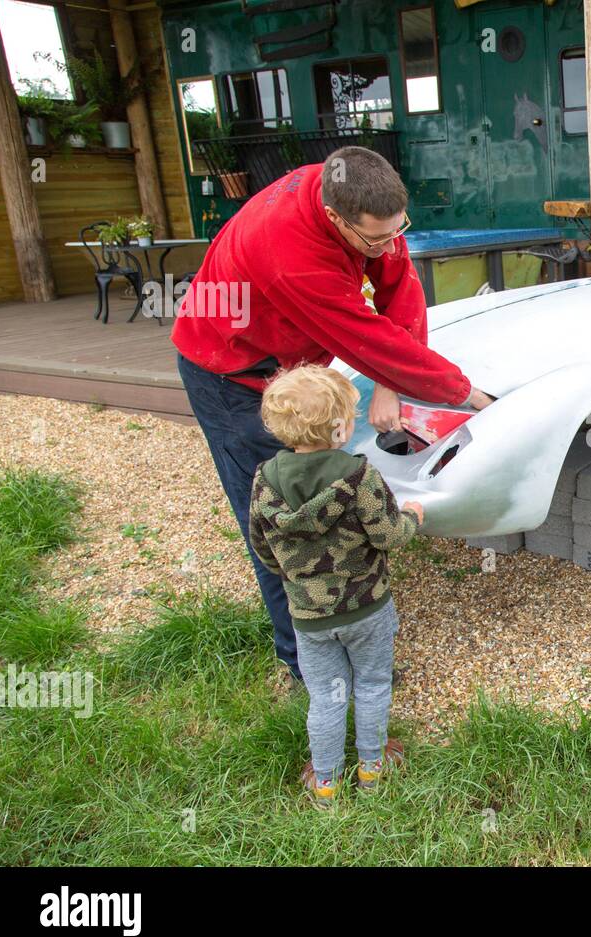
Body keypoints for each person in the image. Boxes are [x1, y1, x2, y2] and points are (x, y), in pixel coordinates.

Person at [172, 146, 492, 685]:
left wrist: (391, 386)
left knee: (329, 495)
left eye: (399, 230)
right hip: (231, 374)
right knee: (283, 520)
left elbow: (400, 291)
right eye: (377, 239)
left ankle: (347, 619)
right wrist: (468, 396)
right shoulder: (289, 254)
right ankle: (308, 669)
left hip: (291, 363)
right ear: (335, 217)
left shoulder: (354, 194)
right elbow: (367, 337)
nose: (391, 246)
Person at [248, 365, 421, 806]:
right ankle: (372, 770)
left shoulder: (264, 481)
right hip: (367, 609)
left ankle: (325, 781)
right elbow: (388, 536)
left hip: (308, 616)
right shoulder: (360, 477)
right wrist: (414, 517)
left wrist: (292, 577)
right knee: (373, 684)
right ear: (341, 428)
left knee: (325, 696)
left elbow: (262, 547)